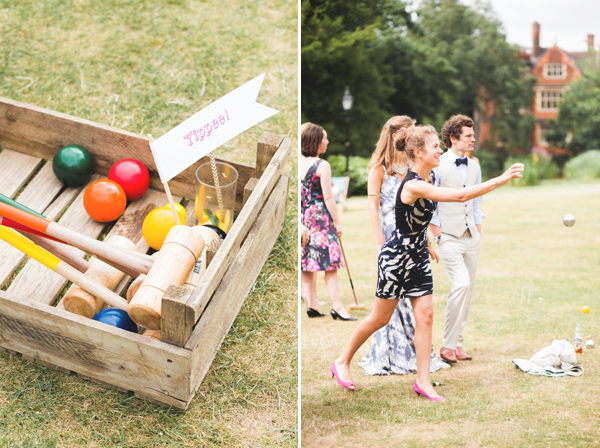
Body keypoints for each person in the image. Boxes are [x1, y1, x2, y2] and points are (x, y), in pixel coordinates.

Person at [331, 125, 523, 401]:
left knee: (426, 316)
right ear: (418, 152)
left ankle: (423, 381)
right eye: (435, 146)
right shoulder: (412, 184)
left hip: (418, 254)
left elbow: (457, 184)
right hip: (396, 257)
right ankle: (342, 361)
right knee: (380, 318)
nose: (440, 150)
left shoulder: (431, 174)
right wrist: (500, 179)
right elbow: (458, 196)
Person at [359, 116, 449, 375]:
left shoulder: (415, 168)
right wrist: (381, 241)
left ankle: (413, 356)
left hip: (413, 234)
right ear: (395, 135)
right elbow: (372, 208)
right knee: (389, 306)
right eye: (409, 132)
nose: (412, 136)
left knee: (419, 307)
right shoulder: (379, 166)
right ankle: (390, 353)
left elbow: (420, 211)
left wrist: (426, 241)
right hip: (392, 236)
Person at [429, 115, 482, 364]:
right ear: (453, 138)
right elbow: (429, 201)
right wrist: (436, 233)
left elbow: (477, 200)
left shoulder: (475, 166)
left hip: (471, 236)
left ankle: (458, 343)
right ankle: (447, 346)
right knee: (460, 284)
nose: (474, 139)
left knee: (468, 290)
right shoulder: (437, 165)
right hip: (448, 236)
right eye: (469, 135)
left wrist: (478, 230)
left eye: (473, 135)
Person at [301, 123, 355, 321]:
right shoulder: (322, 165)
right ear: (316, 141)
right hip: (319, 218)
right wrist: (337, 222)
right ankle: (338, 307)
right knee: (330, 264)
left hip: (303, 217)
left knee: (307, 262)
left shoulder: (299, 163)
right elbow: (329, 198)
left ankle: (312, 306)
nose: (327, 141)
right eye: (325, 138)